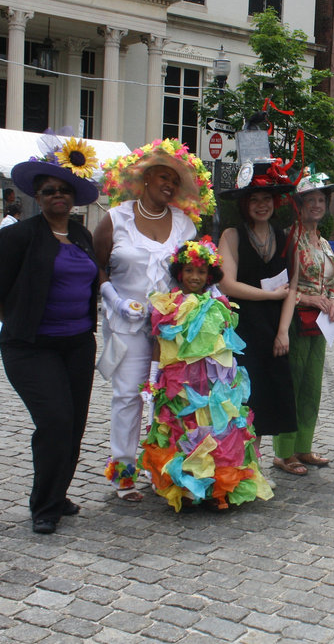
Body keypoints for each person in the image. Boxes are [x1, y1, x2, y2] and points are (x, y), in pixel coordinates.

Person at [0, 137, 101, 534]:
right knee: (54, 420)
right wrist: (19, 322)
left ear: (74, 196)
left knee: (75, 423)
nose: (58, 196)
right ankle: (43, 505)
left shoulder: (82, 235)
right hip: (31, 347)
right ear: (37, 195)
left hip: (78, 344)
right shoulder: (19, 236)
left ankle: (58, 492)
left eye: (65, 190)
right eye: (50, 191)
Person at [96, 138, 214, 501]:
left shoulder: (184, 224)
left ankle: (161, 465)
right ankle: (124, 472)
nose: (169, 185)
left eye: (174, 180)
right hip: (126, 324)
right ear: (144, 179)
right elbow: (96, 268)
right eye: (162, 177)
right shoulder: (116, 219)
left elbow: (192, 272)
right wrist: (114, 300)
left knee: (170, 397)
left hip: (171, 326)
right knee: (128, 395)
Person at [140, 238, 273, 510]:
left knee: (215, 433)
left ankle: (215, 488)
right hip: (181, 385)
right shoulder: (169, 305)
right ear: (179, 273)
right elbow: (160, 344)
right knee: (184, 431)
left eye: (201, 272)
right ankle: (186, 489)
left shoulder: (218, 304)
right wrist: (153, 379)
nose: (195, 277)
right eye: (189, 271)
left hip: (213, 386)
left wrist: (229, 382)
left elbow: (227, 345)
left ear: (209, 275)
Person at [216, 162, 298, 473]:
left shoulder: (284, 235)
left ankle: (253, 466)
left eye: (266, 199)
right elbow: (228, 284)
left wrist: (283, 331)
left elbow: (293, 286)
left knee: (264, 400)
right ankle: (236, 464)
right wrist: (270, 296)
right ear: (244, 204)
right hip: (242, 328)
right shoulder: (233, 235)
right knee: (242, 397)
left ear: (275, 202)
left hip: (273, 328)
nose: (261, 205)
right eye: (254, 199)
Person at [272, 170, 334, 474]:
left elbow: (329, 284)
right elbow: (279, 285)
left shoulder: (325, 243)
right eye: (310, 199)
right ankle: (283, 451)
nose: (316, 204)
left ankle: (304, 447)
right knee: (292, 384)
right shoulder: (288, 238)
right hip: (294, 320)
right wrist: (310, 299)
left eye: (321, 200)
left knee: (313, 386)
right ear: (298, 205)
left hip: (320, 325)